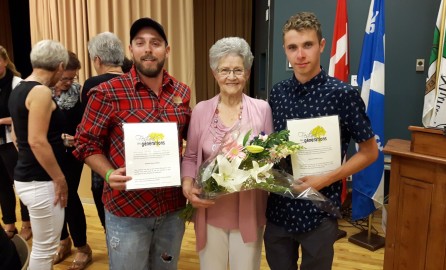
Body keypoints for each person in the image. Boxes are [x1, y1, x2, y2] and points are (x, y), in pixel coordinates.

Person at [73, 18, 191, 270]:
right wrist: (107, 172)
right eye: (141, 43)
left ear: (167, 51)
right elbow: (85, 143)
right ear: (131, 49)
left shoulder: (181, 93)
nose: (148, 49)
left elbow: (191, 139)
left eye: (155, 43)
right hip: (127, 211)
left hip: (172, 209)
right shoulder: (107, 93)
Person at [264, 12, 378, 270]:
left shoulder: (343, 95)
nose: (300, 55)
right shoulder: (278, 93)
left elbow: (370, 153)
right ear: (285, 50)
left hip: (320, 211)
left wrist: (326, 178)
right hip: (279, 210)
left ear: (322, 45)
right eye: (293, 47)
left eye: (308, 45)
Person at [181, 37, 273, 270]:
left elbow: (270, 155)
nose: (231, 77)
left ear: (248, 73)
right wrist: (187, 184)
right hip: (210, 209)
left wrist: (257, 168)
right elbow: (191, 156)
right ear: (214, 73)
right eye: (225, 70)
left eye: (237, 70)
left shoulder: (262, 109)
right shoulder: (201, 110)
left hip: (249, 209)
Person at [8, 39, 69, 270]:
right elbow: (35, 141)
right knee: (45, 250)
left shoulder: (19, 88)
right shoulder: (41, 91)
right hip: (41, 182)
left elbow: (17, 137)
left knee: (43, 248)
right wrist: (59, 178)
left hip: (27, 178)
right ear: (60, 66)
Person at [51, 51, 92, 269]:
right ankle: (63, 241)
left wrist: (77, 137)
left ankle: (83, 247)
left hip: (73, 154)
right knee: (54, 199)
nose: (69, 82)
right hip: (49, 154)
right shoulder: (42, 93)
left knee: (68, 197)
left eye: (72, 78)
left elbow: (87, 124)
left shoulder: (81, 93)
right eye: (64, 78)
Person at [81, 32, 125, 230]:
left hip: (103, 154)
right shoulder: (133, 80)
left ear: (97, 59)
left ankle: (112, 236)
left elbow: (87, 128)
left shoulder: (93, 85)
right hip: (125, 151)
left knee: (102, 192)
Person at [0, 45, 32, 241]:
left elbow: (23, 113)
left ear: (4, 61)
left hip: (13, 141)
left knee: (20, 184)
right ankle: (9, 224)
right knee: (2, 185)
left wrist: (1, 121)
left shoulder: (17, 83)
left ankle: (27, 223)